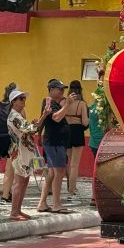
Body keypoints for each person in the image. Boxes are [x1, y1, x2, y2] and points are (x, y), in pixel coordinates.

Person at [7, 89, 50, 221]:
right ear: (13, 102)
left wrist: (34, 123)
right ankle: (14, 212)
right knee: (19, 182)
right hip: (20, 152)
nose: (23, 100)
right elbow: (32, 129)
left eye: (23, 98)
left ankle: (17, 210)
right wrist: (44, 115)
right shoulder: (15, 116)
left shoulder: (17, 116)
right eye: (20, 98)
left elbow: (28, 130)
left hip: (23, 151)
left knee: (24, 181)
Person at [37, 79, 74, 214]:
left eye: (63, 89)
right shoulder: (50, 102)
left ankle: (42, 203)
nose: (62, 91)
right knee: (59, 172)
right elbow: (56, 118)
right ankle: (57, 204)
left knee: (52, 173)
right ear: (51, 90)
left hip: (55, 142)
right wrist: (68, 104)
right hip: (54, 142)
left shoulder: (55, 103)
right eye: (59, 89)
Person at [0, 83, 16, 201]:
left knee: (7, 167)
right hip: (12, 139)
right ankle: (6, 195)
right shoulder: (15, 107)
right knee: (10, 169)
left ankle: (7, 192)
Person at [65, 80, 89, 202]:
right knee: (75, 165)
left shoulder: (65, 102)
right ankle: (71, 192)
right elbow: (85, 122)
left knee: (69, 163)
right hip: (77, 132)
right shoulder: (82, 104)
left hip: (66, 132)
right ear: (80, 90)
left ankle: (71, 187)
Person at [87, 99, 104, 207]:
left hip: (93, 142)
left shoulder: (92, 106)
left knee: (96, 170)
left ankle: (94, 196)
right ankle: (96, 196)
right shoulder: (103, 108)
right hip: (101, 142)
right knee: (100, 171)